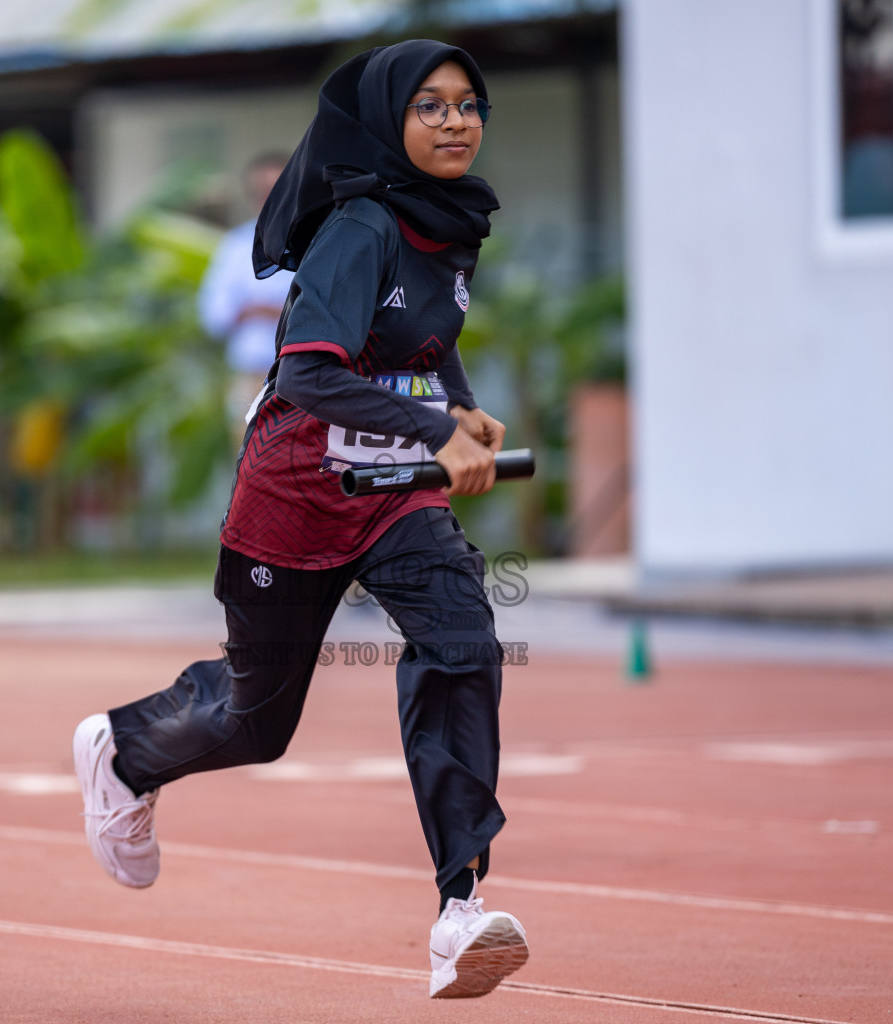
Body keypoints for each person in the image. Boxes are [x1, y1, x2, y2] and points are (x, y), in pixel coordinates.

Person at [72, 40, 528, 998]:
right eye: (431, 106)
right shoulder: (358, 228)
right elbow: (310, 373)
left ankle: (460, 911)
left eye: (468, 104)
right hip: (293, 495)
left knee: (464, 645)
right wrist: (432, 426)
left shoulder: (450, 222)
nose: (456, 121)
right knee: (256, 721)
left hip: (397, 497)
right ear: (387, 121)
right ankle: (126, 749)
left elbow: (425, 336)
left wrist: (461, 404)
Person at [197, 153, 296, 424]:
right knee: (246, 461)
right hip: (250, 378)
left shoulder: (318, 239)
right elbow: (213, 315)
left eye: (276, 190)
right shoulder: (236, 245)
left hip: (304, 377)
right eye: (261, 192)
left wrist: (266, 309)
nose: (268, 199)